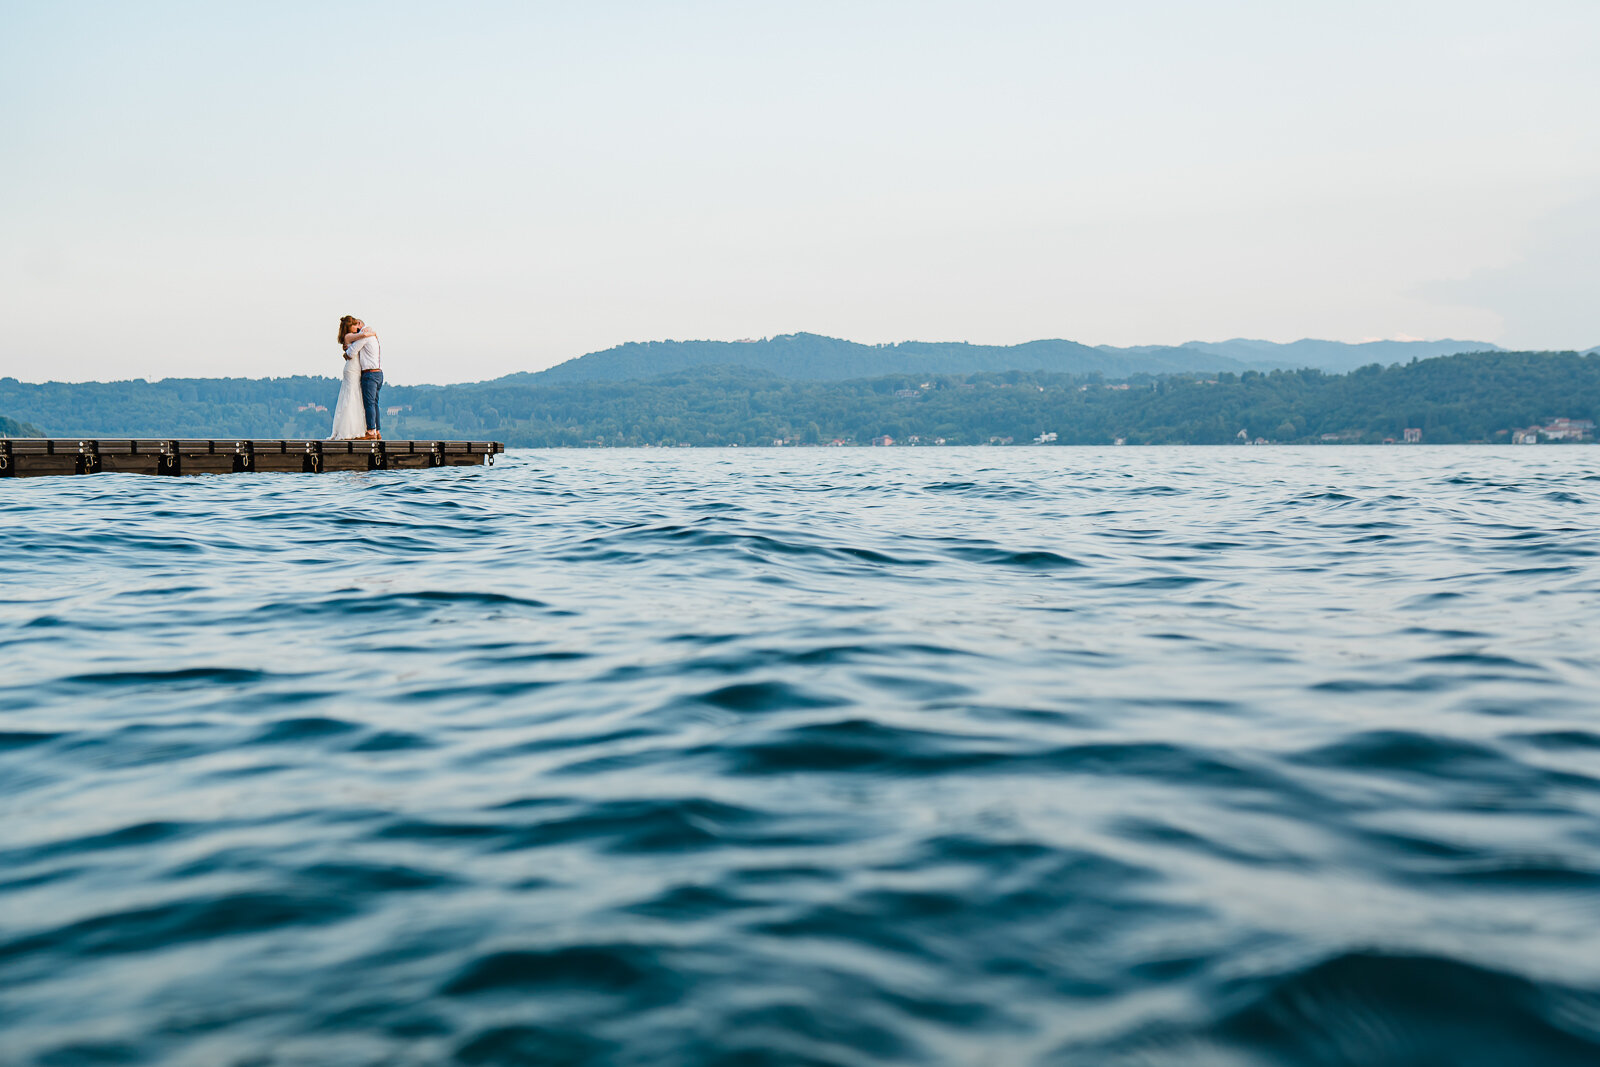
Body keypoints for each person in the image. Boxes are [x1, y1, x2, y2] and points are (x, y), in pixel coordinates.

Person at [339, 316, 384, 440]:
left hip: (369, 374)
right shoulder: (370, 336)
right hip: (378, 373)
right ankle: (377, 430)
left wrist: (346, 353)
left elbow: (351, 353)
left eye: (356, 325)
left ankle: (370, 432)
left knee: (369, 403)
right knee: (374, 403)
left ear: (359, 325)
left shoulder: (365, 336)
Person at [327, 314, 369, 440]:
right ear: (349, 326)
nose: (357, 327)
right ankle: (349, 429)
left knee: (352, 396)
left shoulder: (350, 337)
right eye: (355, 324)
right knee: (351, 396)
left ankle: (351, 428)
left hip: (353, 368)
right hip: (352, 369)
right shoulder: (349, 336)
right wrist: (371, 331)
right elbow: (365, 335)